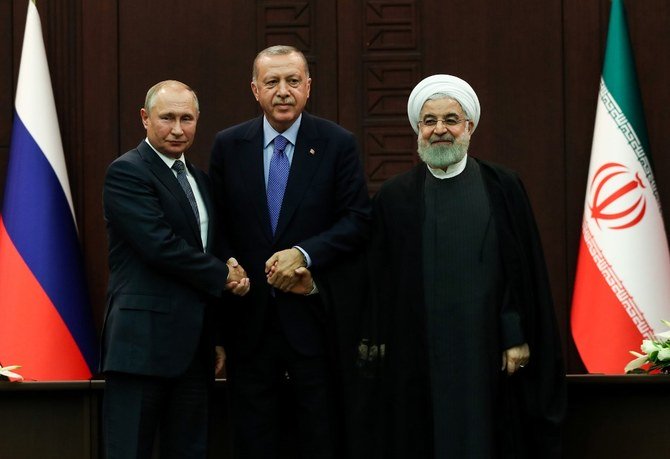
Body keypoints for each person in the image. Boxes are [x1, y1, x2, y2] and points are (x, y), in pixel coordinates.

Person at [356, 74, 566, 458]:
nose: (440, 130)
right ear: (417, 129)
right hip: (419, 351)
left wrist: (514, 334)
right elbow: (380, 281)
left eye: (451, 120)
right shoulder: (395, 197)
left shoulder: (503, 185)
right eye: (430, 121)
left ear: (469, 126)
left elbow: (522, 272)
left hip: (485, 348)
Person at [209, 45, 371, 458]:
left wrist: (303, 253)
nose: (283, 91)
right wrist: (228, 262)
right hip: (249, 324)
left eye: (293, 81)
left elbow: (356, 220)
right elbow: (216, 225)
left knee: (319, 436)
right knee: (253, 439)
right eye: (272, 82)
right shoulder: (228, 146)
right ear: (255, 90)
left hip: (313, 323)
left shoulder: (337, 143)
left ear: (308, 87)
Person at [101, 80, 249, 459]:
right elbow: (159, 247)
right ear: (144, 119)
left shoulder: (199, 179)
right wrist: (223, 274)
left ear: (198, 120)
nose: (178, 129)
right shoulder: (127, 172)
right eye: (167, 118)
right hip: (140, 346)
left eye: (187, 118)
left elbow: (206, 247)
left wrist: (215, 332)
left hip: (194, 350)